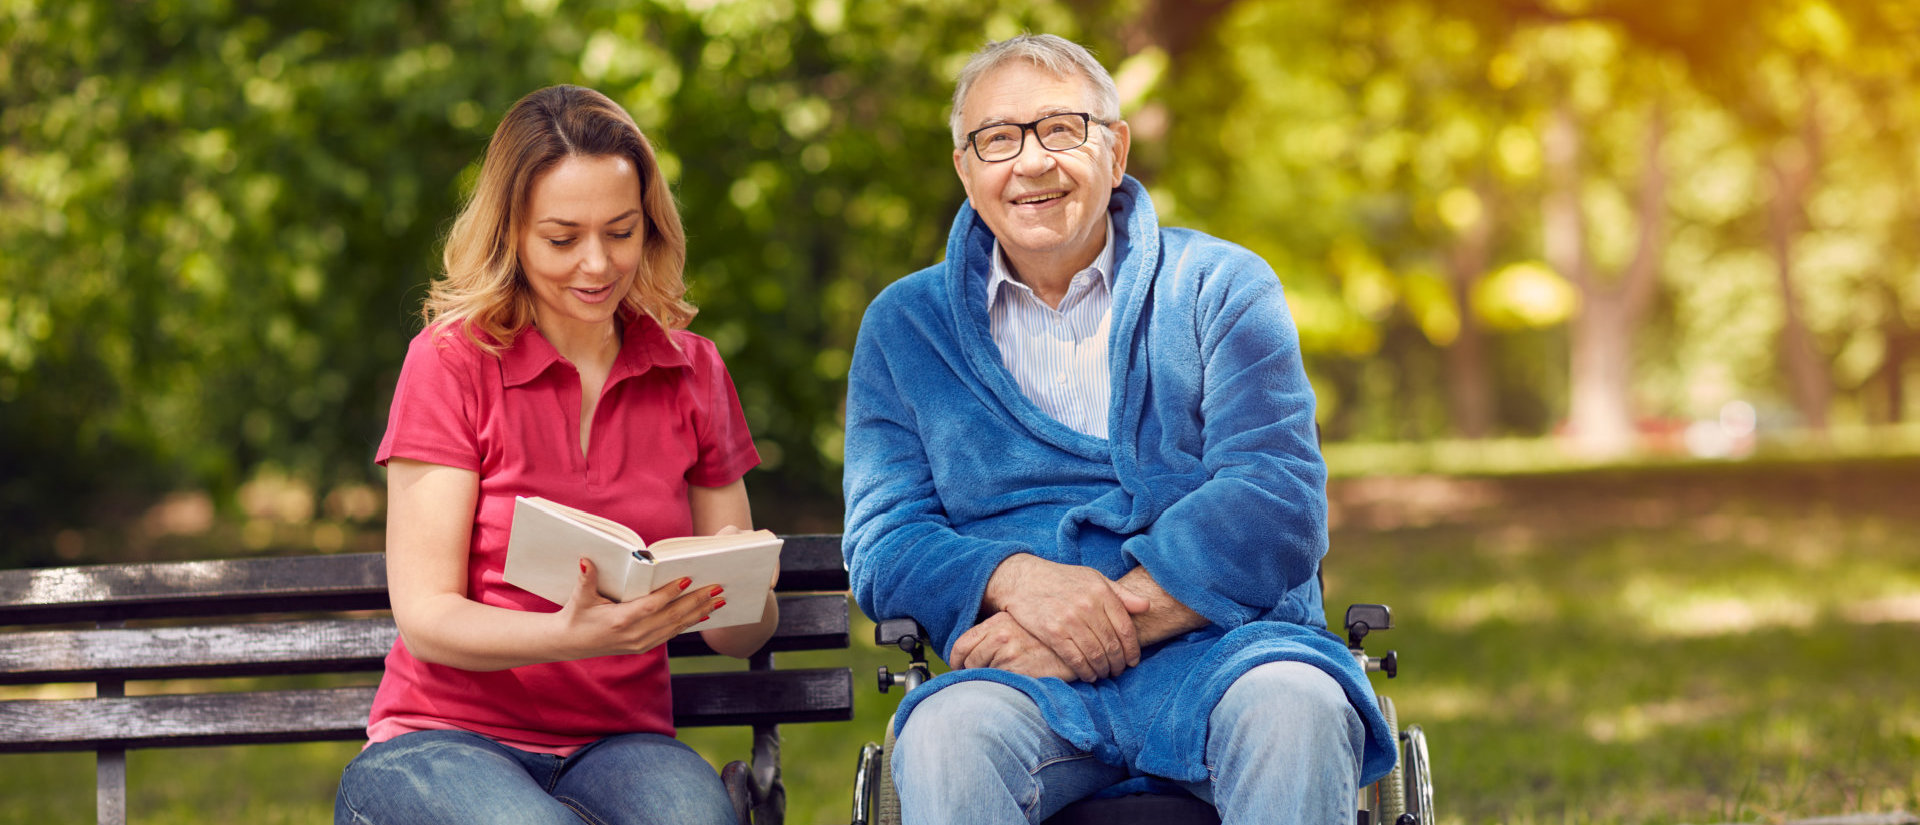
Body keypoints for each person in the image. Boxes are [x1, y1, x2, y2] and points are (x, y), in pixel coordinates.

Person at [842, 35, 1395, 824]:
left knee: (1296, 706)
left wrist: (1098, 620)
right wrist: (1017, 581)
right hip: (1020, 680)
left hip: (1228, 653)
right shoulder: (905, 325)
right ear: (966, 169)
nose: (1031, 163)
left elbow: (1276, 497)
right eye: (998, 138)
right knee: (942, 735)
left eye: (1061, 129)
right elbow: (884, 541)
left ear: (1116, 147)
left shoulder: (1220, 287)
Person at [334, 85, 771, 825]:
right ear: (512, 235)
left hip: (622, 741)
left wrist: (742, 580)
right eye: (563, 239)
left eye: (622, 232)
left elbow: (738, 634)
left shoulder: (692, 370)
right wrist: (569, 635)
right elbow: (427, 615)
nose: (597, 265)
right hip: (442, 740)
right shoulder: (451, 363)